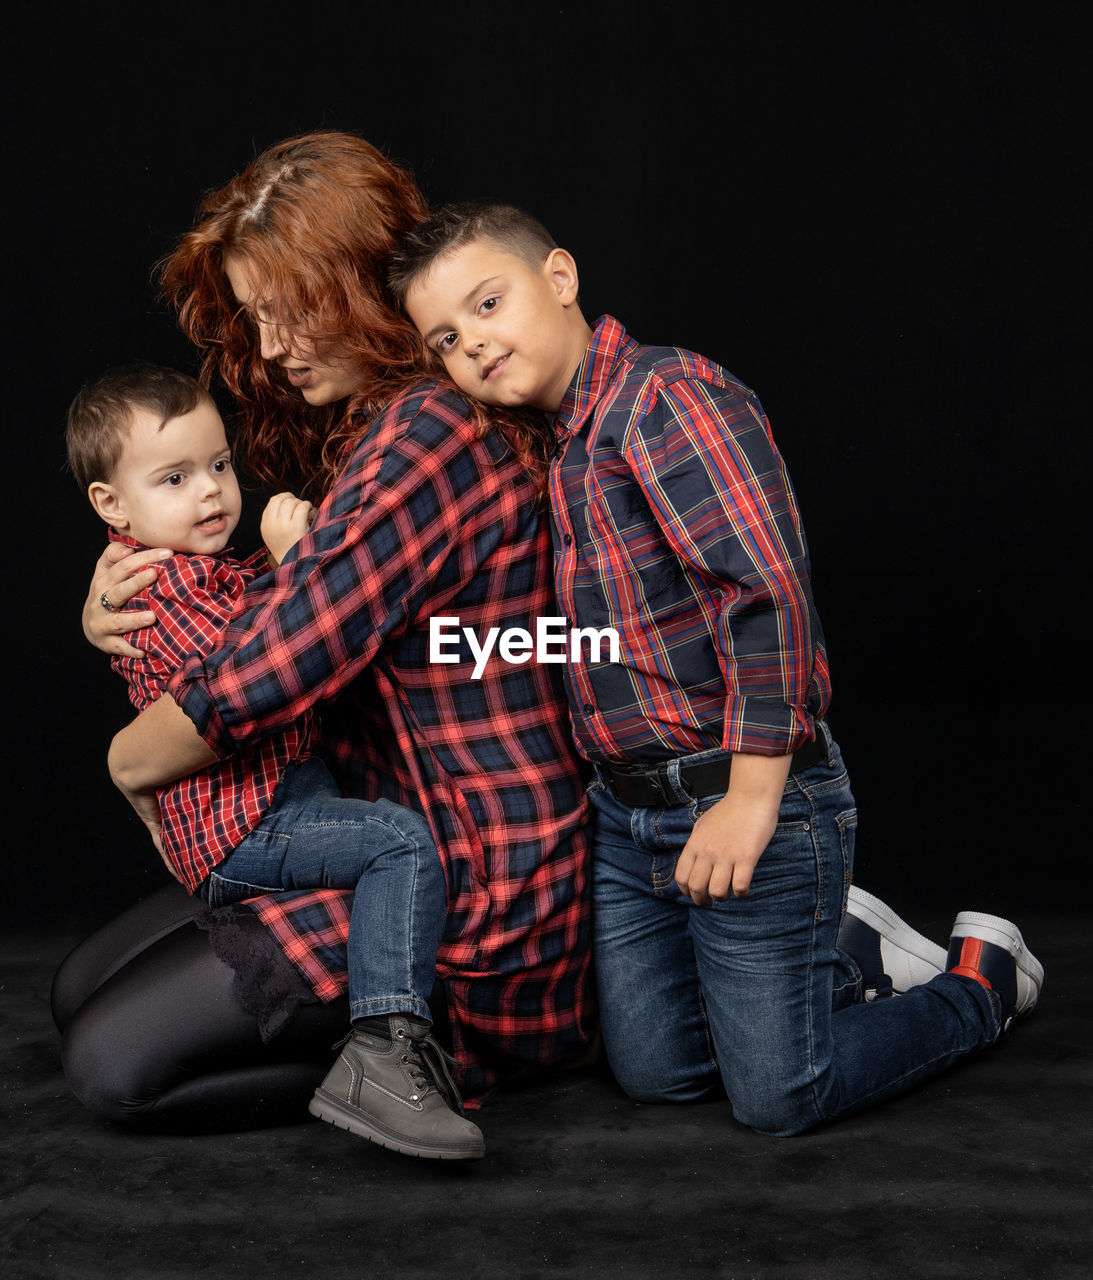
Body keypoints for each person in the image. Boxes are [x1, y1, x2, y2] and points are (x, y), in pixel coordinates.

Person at [386, 200, 1045, 1135]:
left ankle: (980, 985)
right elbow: (606, 639)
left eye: (489, 303)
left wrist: (749, 798)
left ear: (561, 278)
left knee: (779, 1096)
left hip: (744, 793)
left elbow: (766, 592)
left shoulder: (665, 397)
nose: (475, 344)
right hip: (628, 815)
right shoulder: (565, 450)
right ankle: (843, 954)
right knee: (655, 1074)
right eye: (447, 338)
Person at [58, 133, 594, 1141]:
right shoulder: (371, 423)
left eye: (287, 312)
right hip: (378, 822)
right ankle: (353, 1052)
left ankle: (404, 1050)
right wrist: (131, 599)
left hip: (475, 881)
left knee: (111, 1068)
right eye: (255, 320)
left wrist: (131, 759)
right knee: (77, 989)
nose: (268, 350)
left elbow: (266, 671)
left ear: (355, 282)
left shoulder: (429, 435)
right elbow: (262, 597)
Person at [65, 362, 481, 1159]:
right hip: (252, 824)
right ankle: (385, 1047)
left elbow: (237, 597)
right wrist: (299, 567)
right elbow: (247, 673)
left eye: (219, 465)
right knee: (400, 843)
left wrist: (284, 564)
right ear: (112, 506)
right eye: (176, 477)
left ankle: (362, 1055)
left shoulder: (178, 569)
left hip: (263, 814)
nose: (212, 492)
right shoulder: (155, 587)